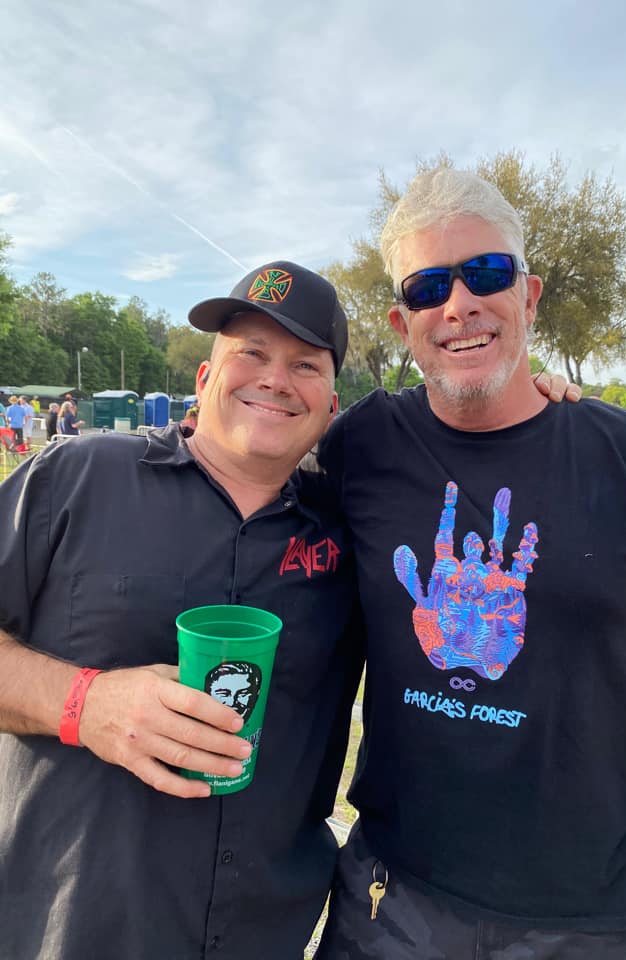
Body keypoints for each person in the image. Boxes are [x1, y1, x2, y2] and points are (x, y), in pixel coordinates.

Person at [316, 169, 626, 960]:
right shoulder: (360, 447)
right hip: (393, 903)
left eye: (487, 272)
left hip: (599, 920)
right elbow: (244, 476)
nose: (459, 303)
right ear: (402, 322)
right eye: (429, 286)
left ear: (528, 296)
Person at [0, 261, 364, 960]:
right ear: (204, 378)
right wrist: (85, 702)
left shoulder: (354, 532)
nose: (275, 379)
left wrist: (548, 401)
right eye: (251, 352)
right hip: (69, 929)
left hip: (263, 935)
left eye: (305, 365)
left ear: (331, 406)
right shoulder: (80, 476)